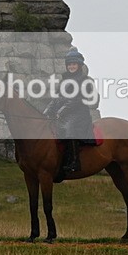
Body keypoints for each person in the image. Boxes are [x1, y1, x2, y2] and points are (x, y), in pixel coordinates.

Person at [43, 49, 97, 182]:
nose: (71, 66)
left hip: (79, 113)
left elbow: (77, 100)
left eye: (74, 64)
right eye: (69, 64)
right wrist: (48, 111)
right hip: (64, 112)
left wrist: (60, 112)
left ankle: (74, 162)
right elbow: (58, 98)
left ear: (79, 65)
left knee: (69, 129)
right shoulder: (64, 80)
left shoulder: (85, 81)